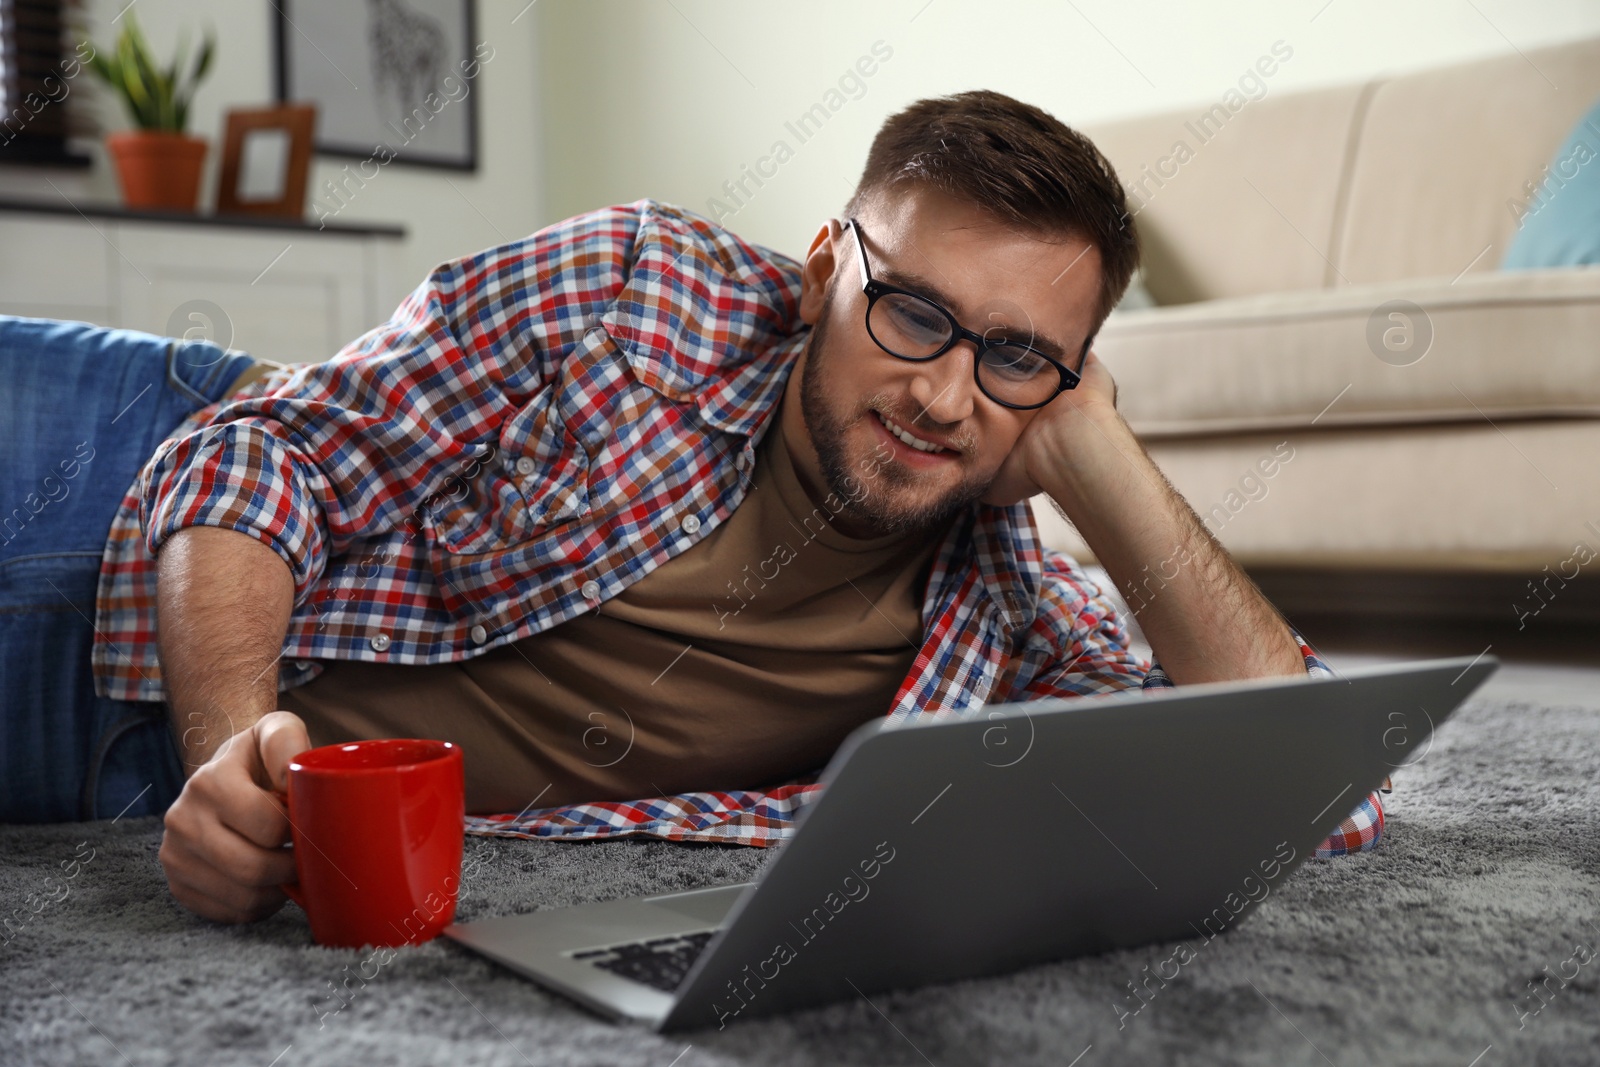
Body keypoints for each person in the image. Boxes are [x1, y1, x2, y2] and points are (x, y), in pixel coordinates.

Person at [0, 90, 1382, 925]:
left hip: (101, 790)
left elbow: (1316, 794)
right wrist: (231, 752)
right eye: (911, 312)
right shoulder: (632, 291)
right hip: (106, 491)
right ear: (823, 267)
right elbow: (265, 456)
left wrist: (1097, 452)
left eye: (1018, 356)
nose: (948, 398)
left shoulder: (1004, 609)